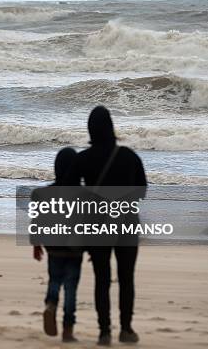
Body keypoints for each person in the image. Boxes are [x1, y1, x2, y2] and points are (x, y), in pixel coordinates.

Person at [64, 106, 147, 346]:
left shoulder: (83, 158)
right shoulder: (129, 156)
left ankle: (104, 332)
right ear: (111, 127)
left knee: (102, 279)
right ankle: (126, 329)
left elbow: (67, 190)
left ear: (90, 129)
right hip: (127, 224)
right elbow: (142, 191)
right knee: (126, 278)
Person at [32, 147, 83, 342]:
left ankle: (50, 305)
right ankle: (68, 330)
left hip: (53, 247)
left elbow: (36, 222)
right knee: (71, 288)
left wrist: (36, 245)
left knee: (54, 279)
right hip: (75, 250)